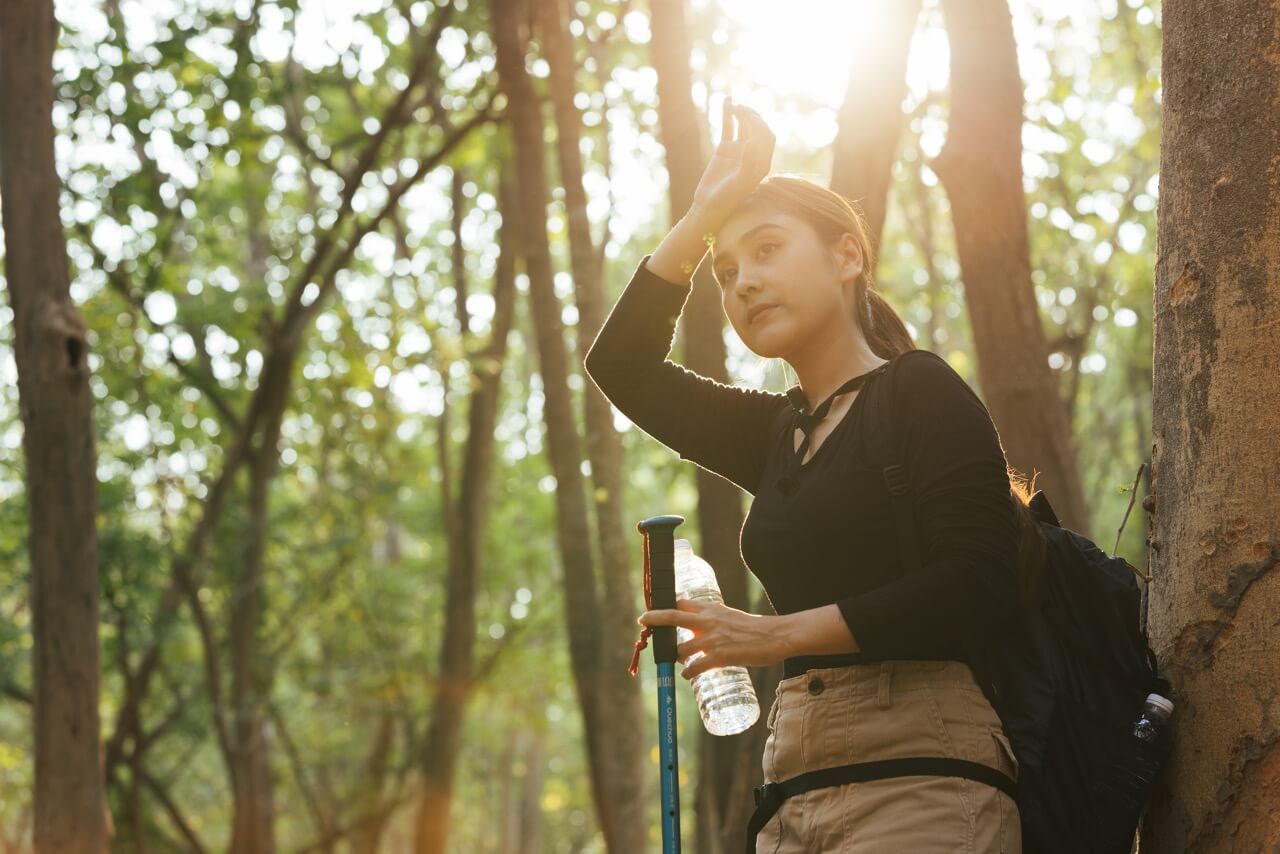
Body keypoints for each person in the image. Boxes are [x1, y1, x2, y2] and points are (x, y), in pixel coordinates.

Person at [583, 95, 1026, 852]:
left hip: (922, 779)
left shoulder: (918, 391)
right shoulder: (774, 433)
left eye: (767, 250)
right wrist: (703, 214)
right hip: (793, 790)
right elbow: (620, 365)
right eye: (727, 272)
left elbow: (978, 583)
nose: (743, 283)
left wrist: (771, 635)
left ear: (847, 256)